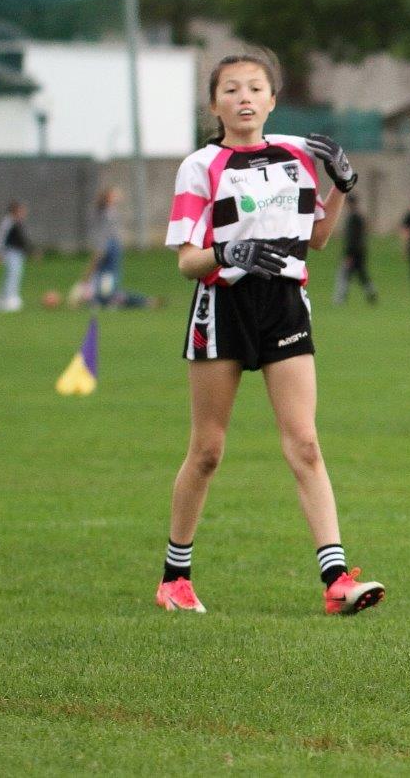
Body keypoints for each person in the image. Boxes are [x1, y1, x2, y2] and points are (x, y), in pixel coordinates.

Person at [155, 52, 384, 616]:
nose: (244, 97)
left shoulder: (296, 156)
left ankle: (336, 580)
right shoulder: (199, 165)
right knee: (207, 451)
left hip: (284, 305)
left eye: (255, 87)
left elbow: (319, 239)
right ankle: (174, 579)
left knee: (305, 444)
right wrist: (228, 250)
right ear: (215, 105)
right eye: (230, 89)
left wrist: (343, 186)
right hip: (222, 305)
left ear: (273, 99)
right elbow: (188, 262)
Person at [75, 186, 159, 309]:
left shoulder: (109, 214)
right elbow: (101, 246)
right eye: (113, 195)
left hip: (110, 255)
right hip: (108, 253)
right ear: (108, 198)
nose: (118, 196)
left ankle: (143, 301)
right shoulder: (106, 216)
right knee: (105, 294)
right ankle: (143, 301)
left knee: (106, 294)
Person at [0, 201, 30, 312]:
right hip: (11, 252)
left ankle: (10, 296)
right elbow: (0, 238)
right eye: (21, 210)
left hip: (18, 252)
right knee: (12, 274)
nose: (24, 213)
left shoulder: (18, 222)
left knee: (16, 274)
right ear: (15, 211)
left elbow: (22, 240)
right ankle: (9, 298)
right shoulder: (8, 222)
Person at [333, 192, 378, 304]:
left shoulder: (353, 218)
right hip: (361, 250)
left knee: (343, 274)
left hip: (353, 252)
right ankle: (371, 291)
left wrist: (349, 254)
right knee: (361, 273)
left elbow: (352, 238)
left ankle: (340, 298)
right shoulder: (359, 217)